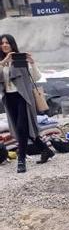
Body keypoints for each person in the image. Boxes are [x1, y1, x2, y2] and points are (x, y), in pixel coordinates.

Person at [0, 34, 54, 173]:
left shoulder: (19, 59)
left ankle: (21, 161)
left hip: (22, 97)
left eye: (7, 43)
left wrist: (31, 62)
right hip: (9, 98)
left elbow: (36, 77)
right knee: (22, 129)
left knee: (22, 127)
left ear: (12, 44)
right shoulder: (1, 61)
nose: (4, 45)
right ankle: (46, 150)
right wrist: (4, 62)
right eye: (2, 43)